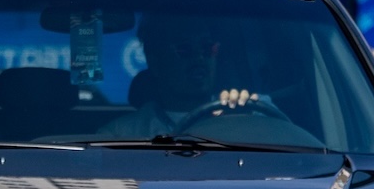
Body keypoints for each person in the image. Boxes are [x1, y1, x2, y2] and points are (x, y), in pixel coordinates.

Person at [102, 14, 259, 138]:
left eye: (207, 48)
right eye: (184, 49)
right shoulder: (122, 134)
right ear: (155, 62)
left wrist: (242, 125)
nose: (199, 58)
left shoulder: (252, 110)